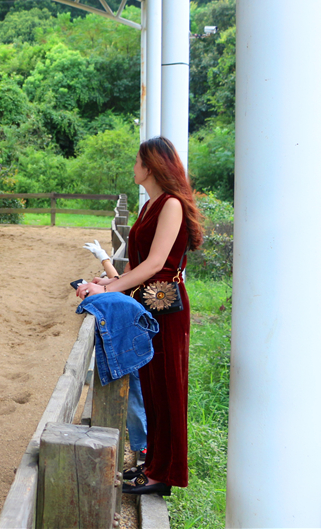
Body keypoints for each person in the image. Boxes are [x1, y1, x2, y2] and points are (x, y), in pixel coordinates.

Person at [76, 137, 203, 496]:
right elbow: (135, 264)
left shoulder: (172, 205)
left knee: (167, 387)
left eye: (137, 161)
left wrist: (108, 290)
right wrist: (106, 279)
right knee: (150, 386)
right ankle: (153, 464)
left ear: (151, 165)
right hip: (147, 302)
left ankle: (166, 473)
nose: (133, 167)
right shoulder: (149, 206)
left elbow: (155, 264)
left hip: (166, 306)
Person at [83, 239, 148, 471]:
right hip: (133, 330)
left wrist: (105, 280)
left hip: (133, 332)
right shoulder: (141, 266)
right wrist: (103, 261)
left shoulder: (149, 270)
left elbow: (124, 284)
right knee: (134, 393)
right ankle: (141, 445)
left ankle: (143, 446)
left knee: (135, 395)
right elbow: (122, 281)